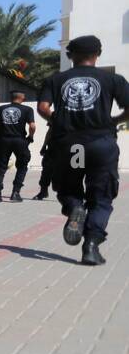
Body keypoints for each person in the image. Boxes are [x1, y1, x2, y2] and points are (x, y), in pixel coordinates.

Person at [37, 35, 129, 266]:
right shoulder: (112, 79)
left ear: (70, 56)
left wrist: (59, 120)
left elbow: (43, 107)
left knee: (70, 187)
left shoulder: (56, 79)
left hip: (71, 146)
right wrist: (114, 121)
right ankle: (91, 245)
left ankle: (75, 207)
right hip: (101, 145)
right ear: (98, 54)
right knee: (101, 196)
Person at [0, 89, 36, 202]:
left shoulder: (0, 109)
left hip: (3, 140)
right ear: (22, 97)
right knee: (22, 166)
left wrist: (0, 134)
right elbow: (32, 126)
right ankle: (15, 193)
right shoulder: (27, 109)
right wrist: (30, 137)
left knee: (0, 167)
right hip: (19, 140)